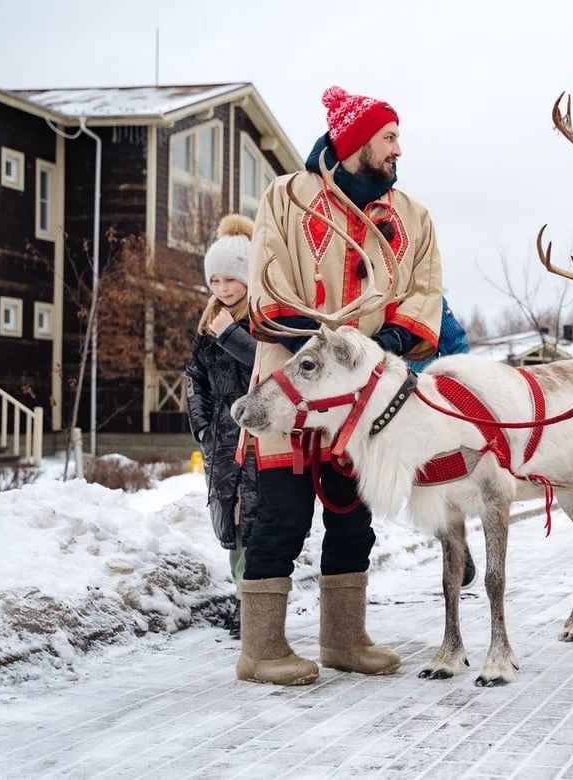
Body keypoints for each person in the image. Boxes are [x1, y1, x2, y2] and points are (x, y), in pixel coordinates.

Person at [238, 85, 443, 686]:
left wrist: (388, 345)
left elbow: (425, 291)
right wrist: (325, 345)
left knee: (354, 519)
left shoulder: (412, 217)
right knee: (281, 516)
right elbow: (267, 286)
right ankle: (260, 650)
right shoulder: (286, 198)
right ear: (356, 141)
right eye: (389, 137)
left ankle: (344, 640)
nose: (398, 149)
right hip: (290, 388)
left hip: (364, 400)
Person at [185, 214, 260, 640]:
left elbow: (266, 366)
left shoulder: (261, 319)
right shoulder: (208, 321)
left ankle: (256, 604)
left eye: (231, 278)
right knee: (231, 522)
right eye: (215, 280)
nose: (223, 288)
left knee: (255, 519)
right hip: (221, 440)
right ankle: (242, 597)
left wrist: (231, 332)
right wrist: (201, 424)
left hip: (256, 437)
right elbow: (194, 375)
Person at [405, 299, 477, 587]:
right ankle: (450, 539)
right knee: (418, 489)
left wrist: (445, 388)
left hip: (430, 405)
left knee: (438, 485)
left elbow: (458, 347)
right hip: (390, 413)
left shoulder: (429, 300)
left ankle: (456, 548)